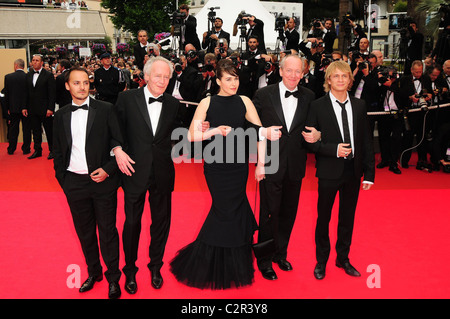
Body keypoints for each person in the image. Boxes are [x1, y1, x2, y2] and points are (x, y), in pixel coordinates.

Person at [169, 58, 282, 289]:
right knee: (224, 210)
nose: (233, 83)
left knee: (236, 209)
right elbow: (191, 135)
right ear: (218, 80)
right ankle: (207, 262)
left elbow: (260, 132)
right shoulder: (207, 102)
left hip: (239, 165)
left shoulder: (245, 101)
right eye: (228, 79)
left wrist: (261, 164)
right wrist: (214, 131)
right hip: (216, 165)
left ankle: (233, 262)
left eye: (236, 78)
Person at [112, 56, 185, 293]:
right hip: (134, 171)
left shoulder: (173, 104)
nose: (162, 81)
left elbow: (176, 132)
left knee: (161, 224)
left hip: (163, 172)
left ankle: (155, 267)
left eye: (167, 77)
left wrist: (199, 128)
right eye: (158, 76)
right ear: (145, 76)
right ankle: (130, 271)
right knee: (132, 224)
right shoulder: (126, 99)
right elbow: (114, 130)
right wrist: (117, 149)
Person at [52, 66, 123, 299]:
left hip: (102, 182)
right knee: (85, 233)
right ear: (67, 86)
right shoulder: (61, 115)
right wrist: (64, 180)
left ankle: (114, 278)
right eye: (76, 83)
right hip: (74, 184)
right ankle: (94, 272)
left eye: (85, 82)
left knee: (107, 232)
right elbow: (58, 152)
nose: (82, 87)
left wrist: (108, 170)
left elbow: (118, 143)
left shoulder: (106, 109)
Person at [305, 61, 375, 280]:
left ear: (350, 80)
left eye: (345, 76)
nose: (341, 80)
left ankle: (343, 258)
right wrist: (333, 150)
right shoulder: (317, 106)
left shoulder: (359, 105)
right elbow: (309, 142)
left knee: (347, 218)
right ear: (328, 80)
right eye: (336, 76)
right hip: (328, 170)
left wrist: (370, 173)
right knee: (323, 218)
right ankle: (321, 261)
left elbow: (365, 141)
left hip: (353, 171)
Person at [252, 54, 318, 280]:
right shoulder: (263, 94)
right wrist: (263, 133)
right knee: (268, 213)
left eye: (298, 71)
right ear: (280, 71)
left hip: (296, 166)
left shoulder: (309, 96)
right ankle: (264, 260)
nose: (293, 75)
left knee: (289, 213)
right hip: (270, 164)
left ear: (303, 73)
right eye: (289, 71)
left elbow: (316, 126)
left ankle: (281, 253)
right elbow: (249, 126)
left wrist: (318, 134)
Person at [23, 54, 56, 160]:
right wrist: (24, 107)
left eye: (37, 60)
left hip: (45, 109)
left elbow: (52, 93)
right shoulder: (28, 75)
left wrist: (50, 108)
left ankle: (53, 151)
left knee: (49, 131)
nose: (35, 62)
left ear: (42, 63)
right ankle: (37, 150)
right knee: (36, 131)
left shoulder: (48, 75)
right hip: (32, 108)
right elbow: (25, 93)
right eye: (33, 60)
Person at [3, 59, 28, 155]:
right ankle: (26, 149)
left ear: (16, 66)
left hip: (13, 108)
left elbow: (7, 95)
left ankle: (11, 149)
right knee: (26, 129)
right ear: (23, 66)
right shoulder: (27, 77)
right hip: (26, 108)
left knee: (13, 129)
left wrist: (7, 108)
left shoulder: (8, 77)